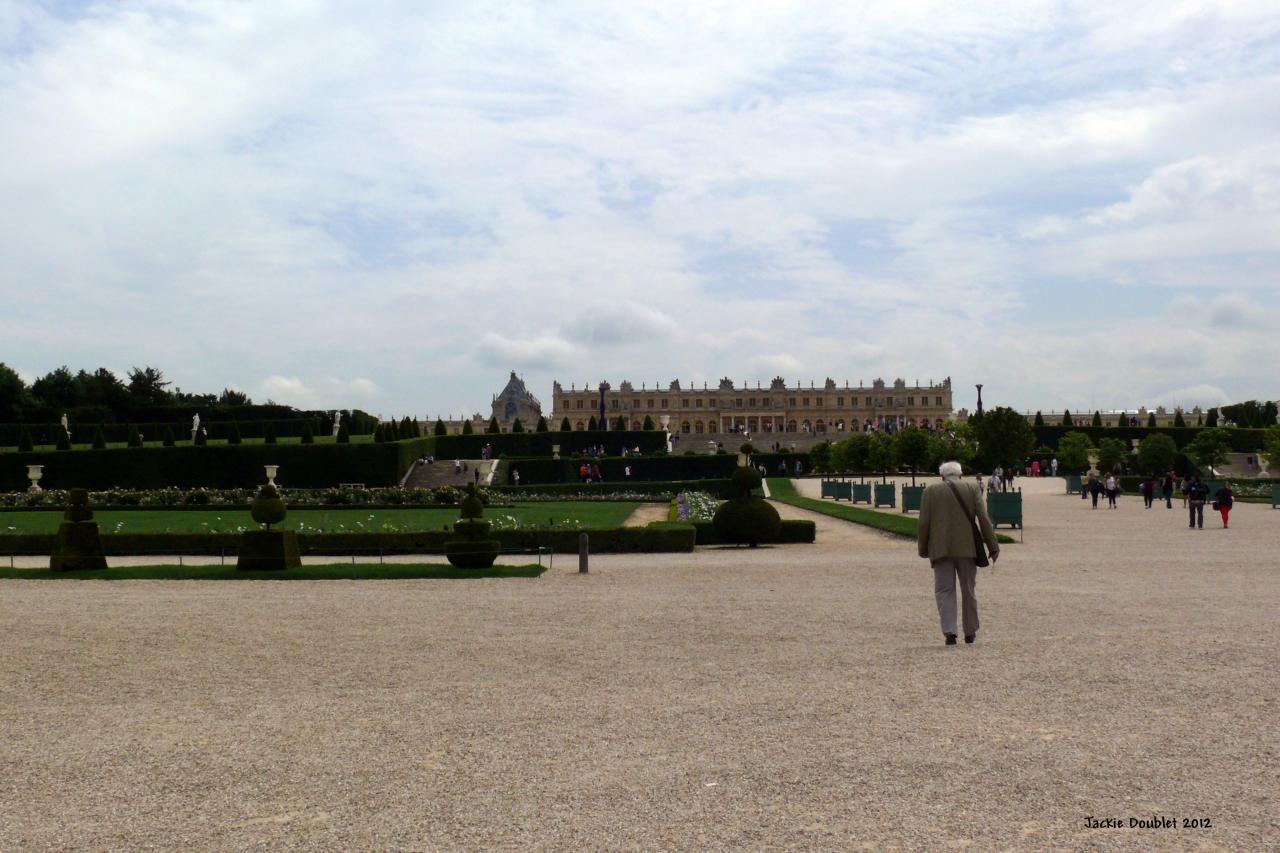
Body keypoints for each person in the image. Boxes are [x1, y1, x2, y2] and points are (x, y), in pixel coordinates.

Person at [917, 460, 1000, 645]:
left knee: (944, 590)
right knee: (968, 590)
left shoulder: (930, 491)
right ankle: (970, 631)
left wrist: (923, 548)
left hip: (940, 548)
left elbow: (923, 523)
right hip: (967, 547)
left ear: (942, 476)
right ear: (961, 474)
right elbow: (983, 519)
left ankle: (950, 632)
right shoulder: (972, 488)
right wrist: (993, 546)